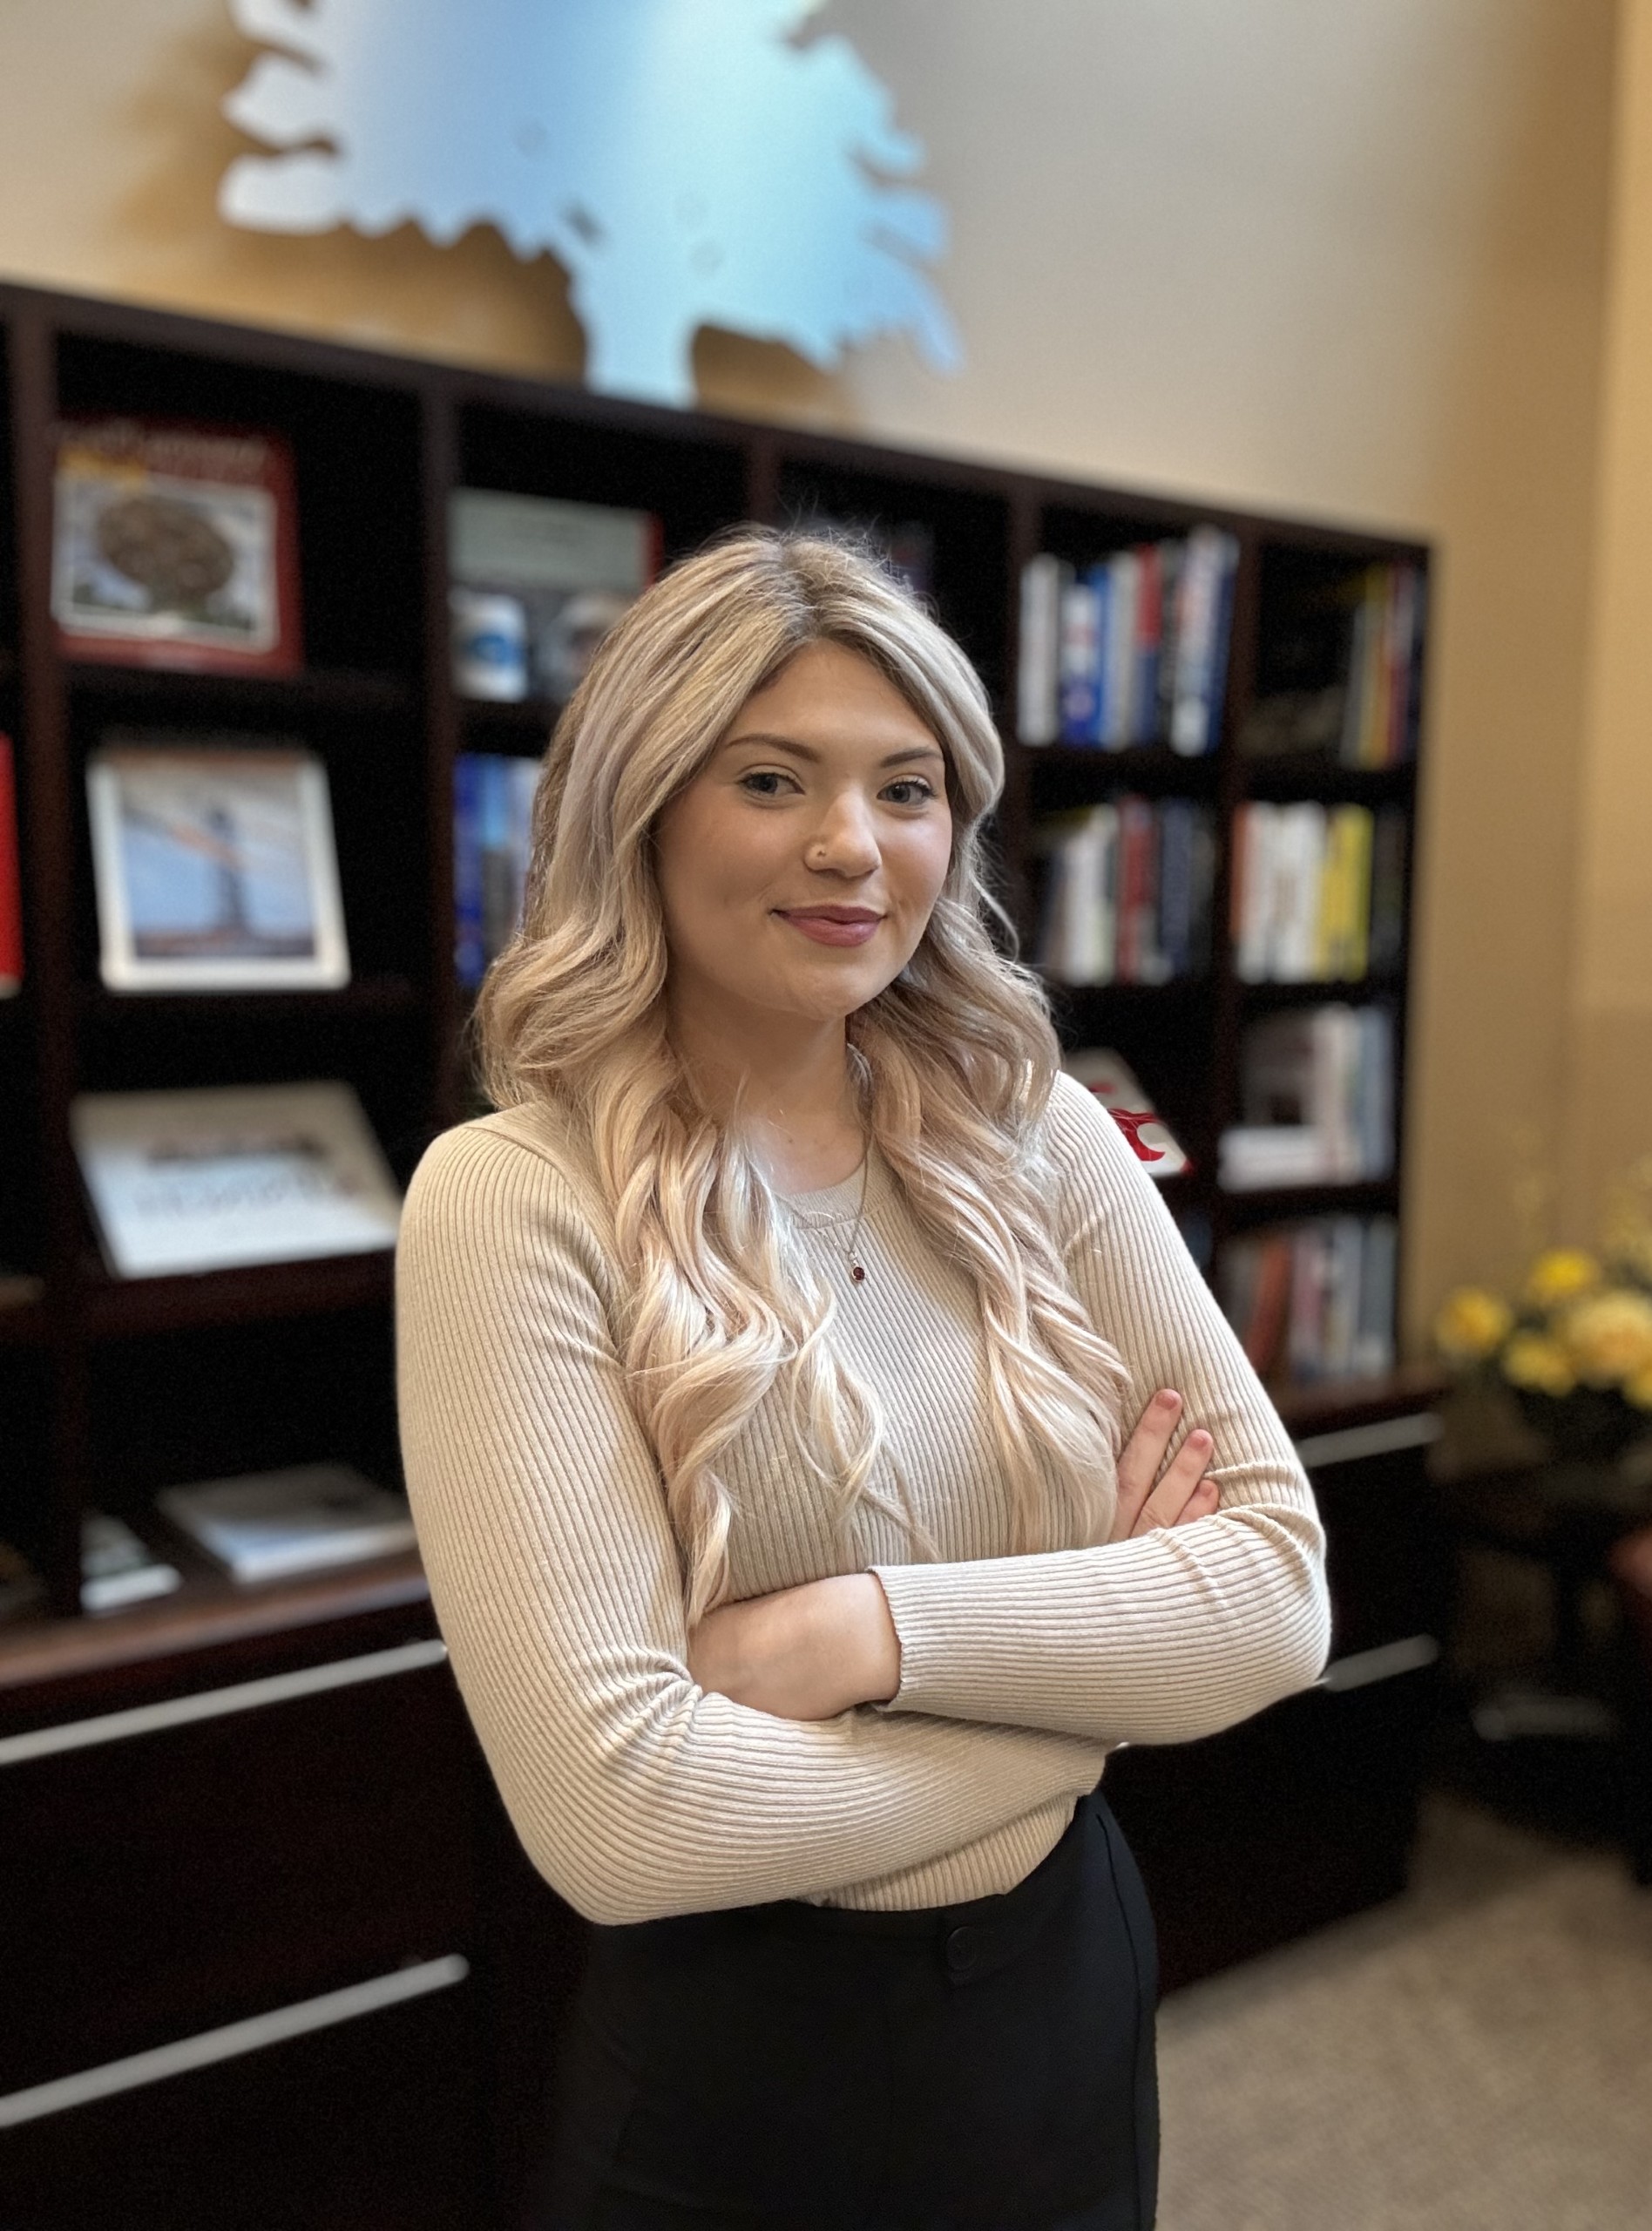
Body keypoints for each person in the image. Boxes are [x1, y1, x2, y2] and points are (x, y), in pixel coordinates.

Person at [396, 528, 1330, 2230]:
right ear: (645, 807)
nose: (852, 846)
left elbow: (1274, 1590)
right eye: (774, 778)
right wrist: (1098, 1693)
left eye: (907, 788)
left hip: (1065, 1968)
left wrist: (867, 1635)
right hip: (751, 2045)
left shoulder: (1034, 1127)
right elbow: (622, 1812)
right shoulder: (514, 1195)